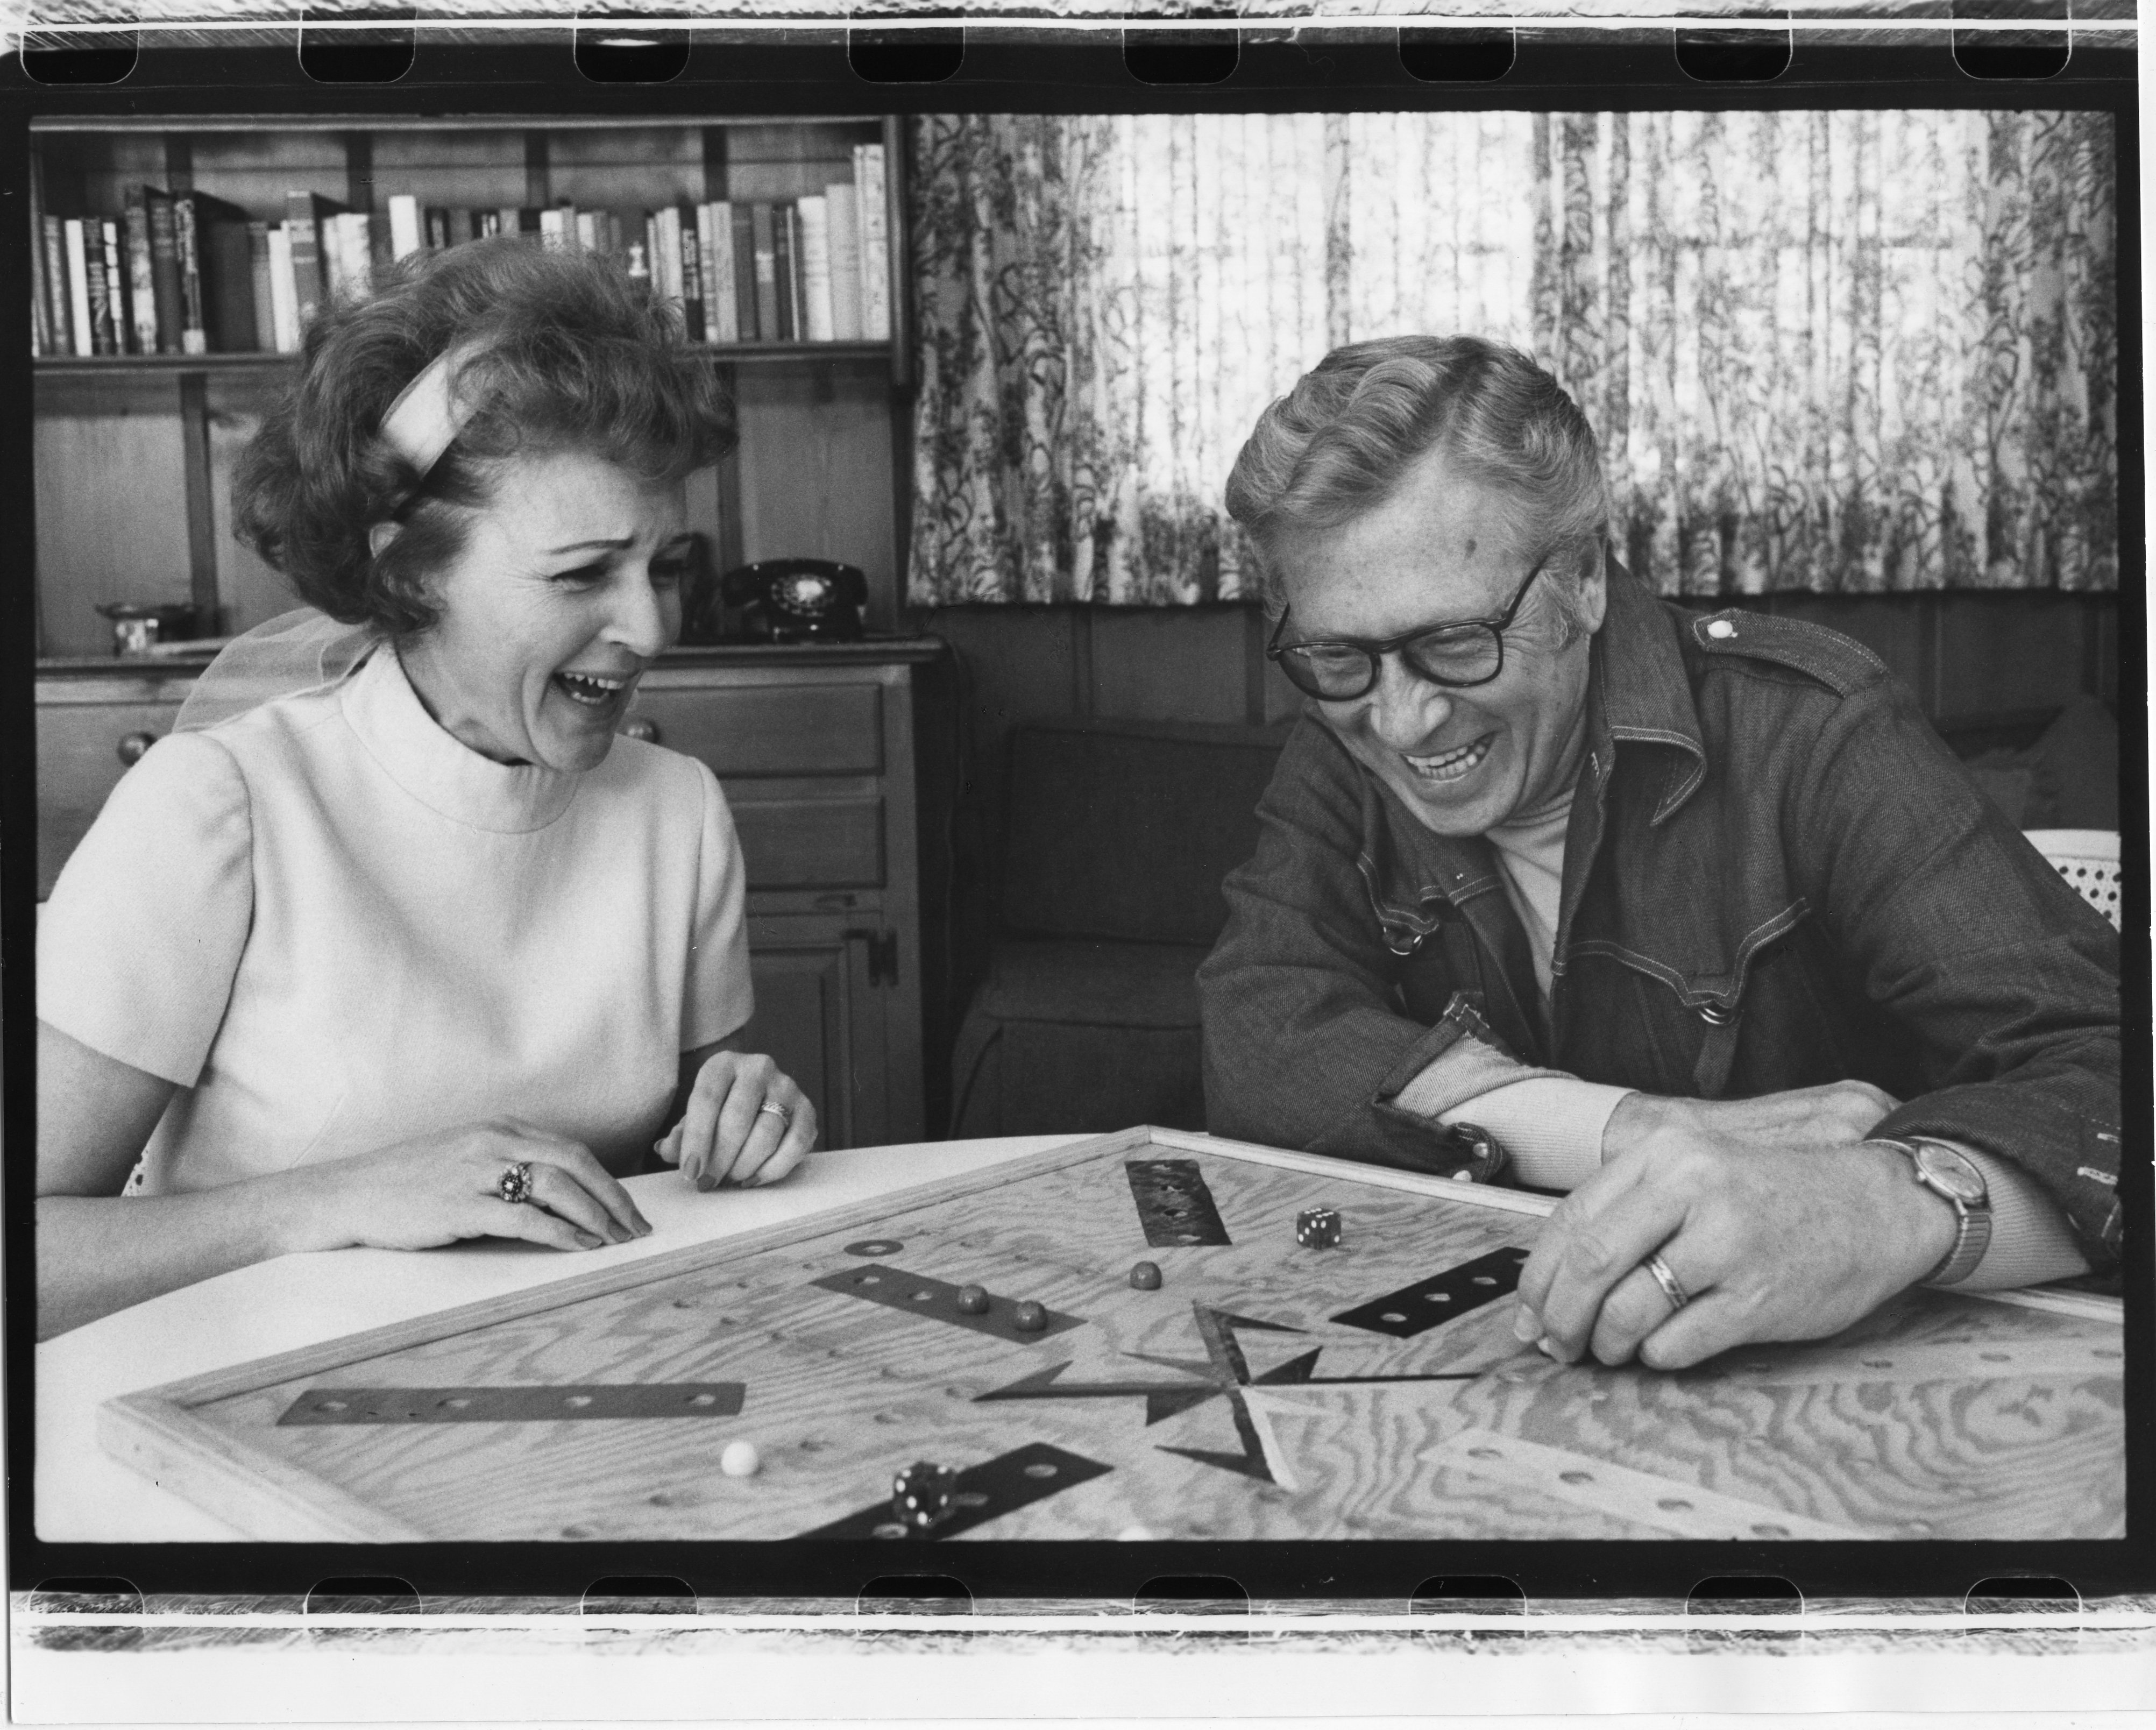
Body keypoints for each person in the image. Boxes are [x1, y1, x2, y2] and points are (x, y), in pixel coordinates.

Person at [1199, 335, 2122, 1372]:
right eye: (1336, 655)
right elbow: (1258, 1037)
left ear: (1584, 579)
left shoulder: (1813, 731)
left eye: (1457, 644)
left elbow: (2107, 1069)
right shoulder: (1343, 740)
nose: (1404, 723)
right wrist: (1630, 1130)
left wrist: (1889, 1204)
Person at [37, 240, 817, 1341]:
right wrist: (338, 1201)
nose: (650, 629)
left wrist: (747, 1118)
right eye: (583, 573)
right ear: (408, 570)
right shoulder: (220, 810)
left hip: (591, 1378)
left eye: (664, 567)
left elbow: (690, 1159)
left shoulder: (676, 810)